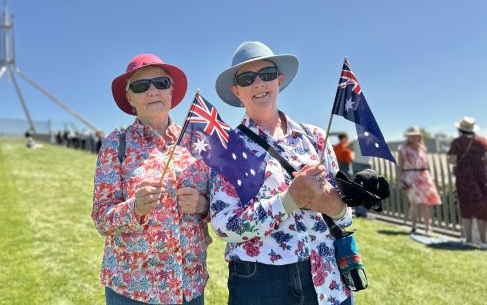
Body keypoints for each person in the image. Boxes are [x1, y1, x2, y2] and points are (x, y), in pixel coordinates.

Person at [211, 41, 353, 305]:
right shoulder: (227, 148)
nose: (258, 83)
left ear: (279, 80)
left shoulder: (315, 137)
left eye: (266, 75)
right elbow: (222, 225)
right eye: (246, 78)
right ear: (236, 90)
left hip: (326, 273)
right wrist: (289, 201)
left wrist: (334, 206)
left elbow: (345, 217)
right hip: (261, 280)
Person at [92, 54, 211, 304]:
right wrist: (135, 209)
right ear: (130, 98)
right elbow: (102, 218)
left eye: (161, 83)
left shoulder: (195, 142)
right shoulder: (116, 145)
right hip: (133, 289)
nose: (153, 91)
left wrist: (202, 205)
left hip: (189, 287)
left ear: (171, 90)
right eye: (141, 86)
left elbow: (221, 206)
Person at [447, 117, 487, 243]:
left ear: (460, 129)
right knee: (482, 208)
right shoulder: (482, 141)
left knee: (466, 207)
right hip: (480, 177)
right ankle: (483, 240)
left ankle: (469, 239)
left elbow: (452, 160)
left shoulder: (457, 142)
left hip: (464, 177)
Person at [397, 126, 441, 234]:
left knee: (427, 203)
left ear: (419, 136)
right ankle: (414, 227)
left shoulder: (423, 148)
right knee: (414, 203)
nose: (414, 137)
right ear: (408, 137)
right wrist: (399, 179)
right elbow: (400, 165)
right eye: (411, 136)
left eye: (416, 135)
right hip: (411, 177)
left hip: (424, 176)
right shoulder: (402, 149)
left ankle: (427, 227)